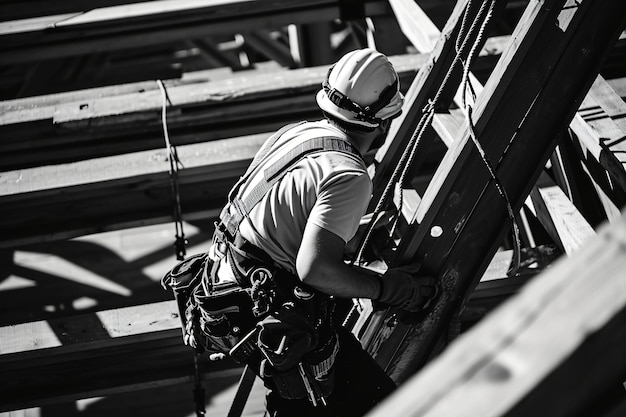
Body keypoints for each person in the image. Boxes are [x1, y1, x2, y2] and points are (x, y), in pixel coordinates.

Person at [162, 48, 439, 417]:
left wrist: (349, 233)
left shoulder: (296, 134)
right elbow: (315, 270)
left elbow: (278, 220)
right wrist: (389, 288)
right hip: (259, 310)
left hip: (219, 290)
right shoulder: (350, 176)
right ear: (385, 122)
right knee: (376, 403)